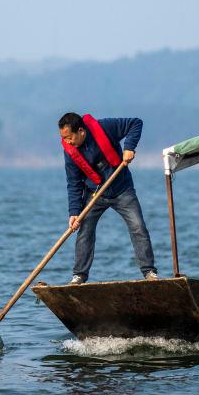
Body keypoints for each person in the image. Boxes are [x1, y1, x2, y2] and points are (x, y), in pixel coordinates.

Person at [59, 112, 158, 284]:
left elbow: (135, 123)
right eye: (64, 138)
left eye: (69, 137)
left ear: (81, 131)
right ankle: (79, 276)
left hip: (122, 189)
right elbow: (73, 183)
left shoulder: (104, 127)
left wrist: (129, 147)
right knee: (85, 231)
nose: (67, 142)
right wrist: (74, 212)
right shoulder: (70, 152)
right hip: (95, 194)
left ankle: (149, 272)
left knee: (138, 226)